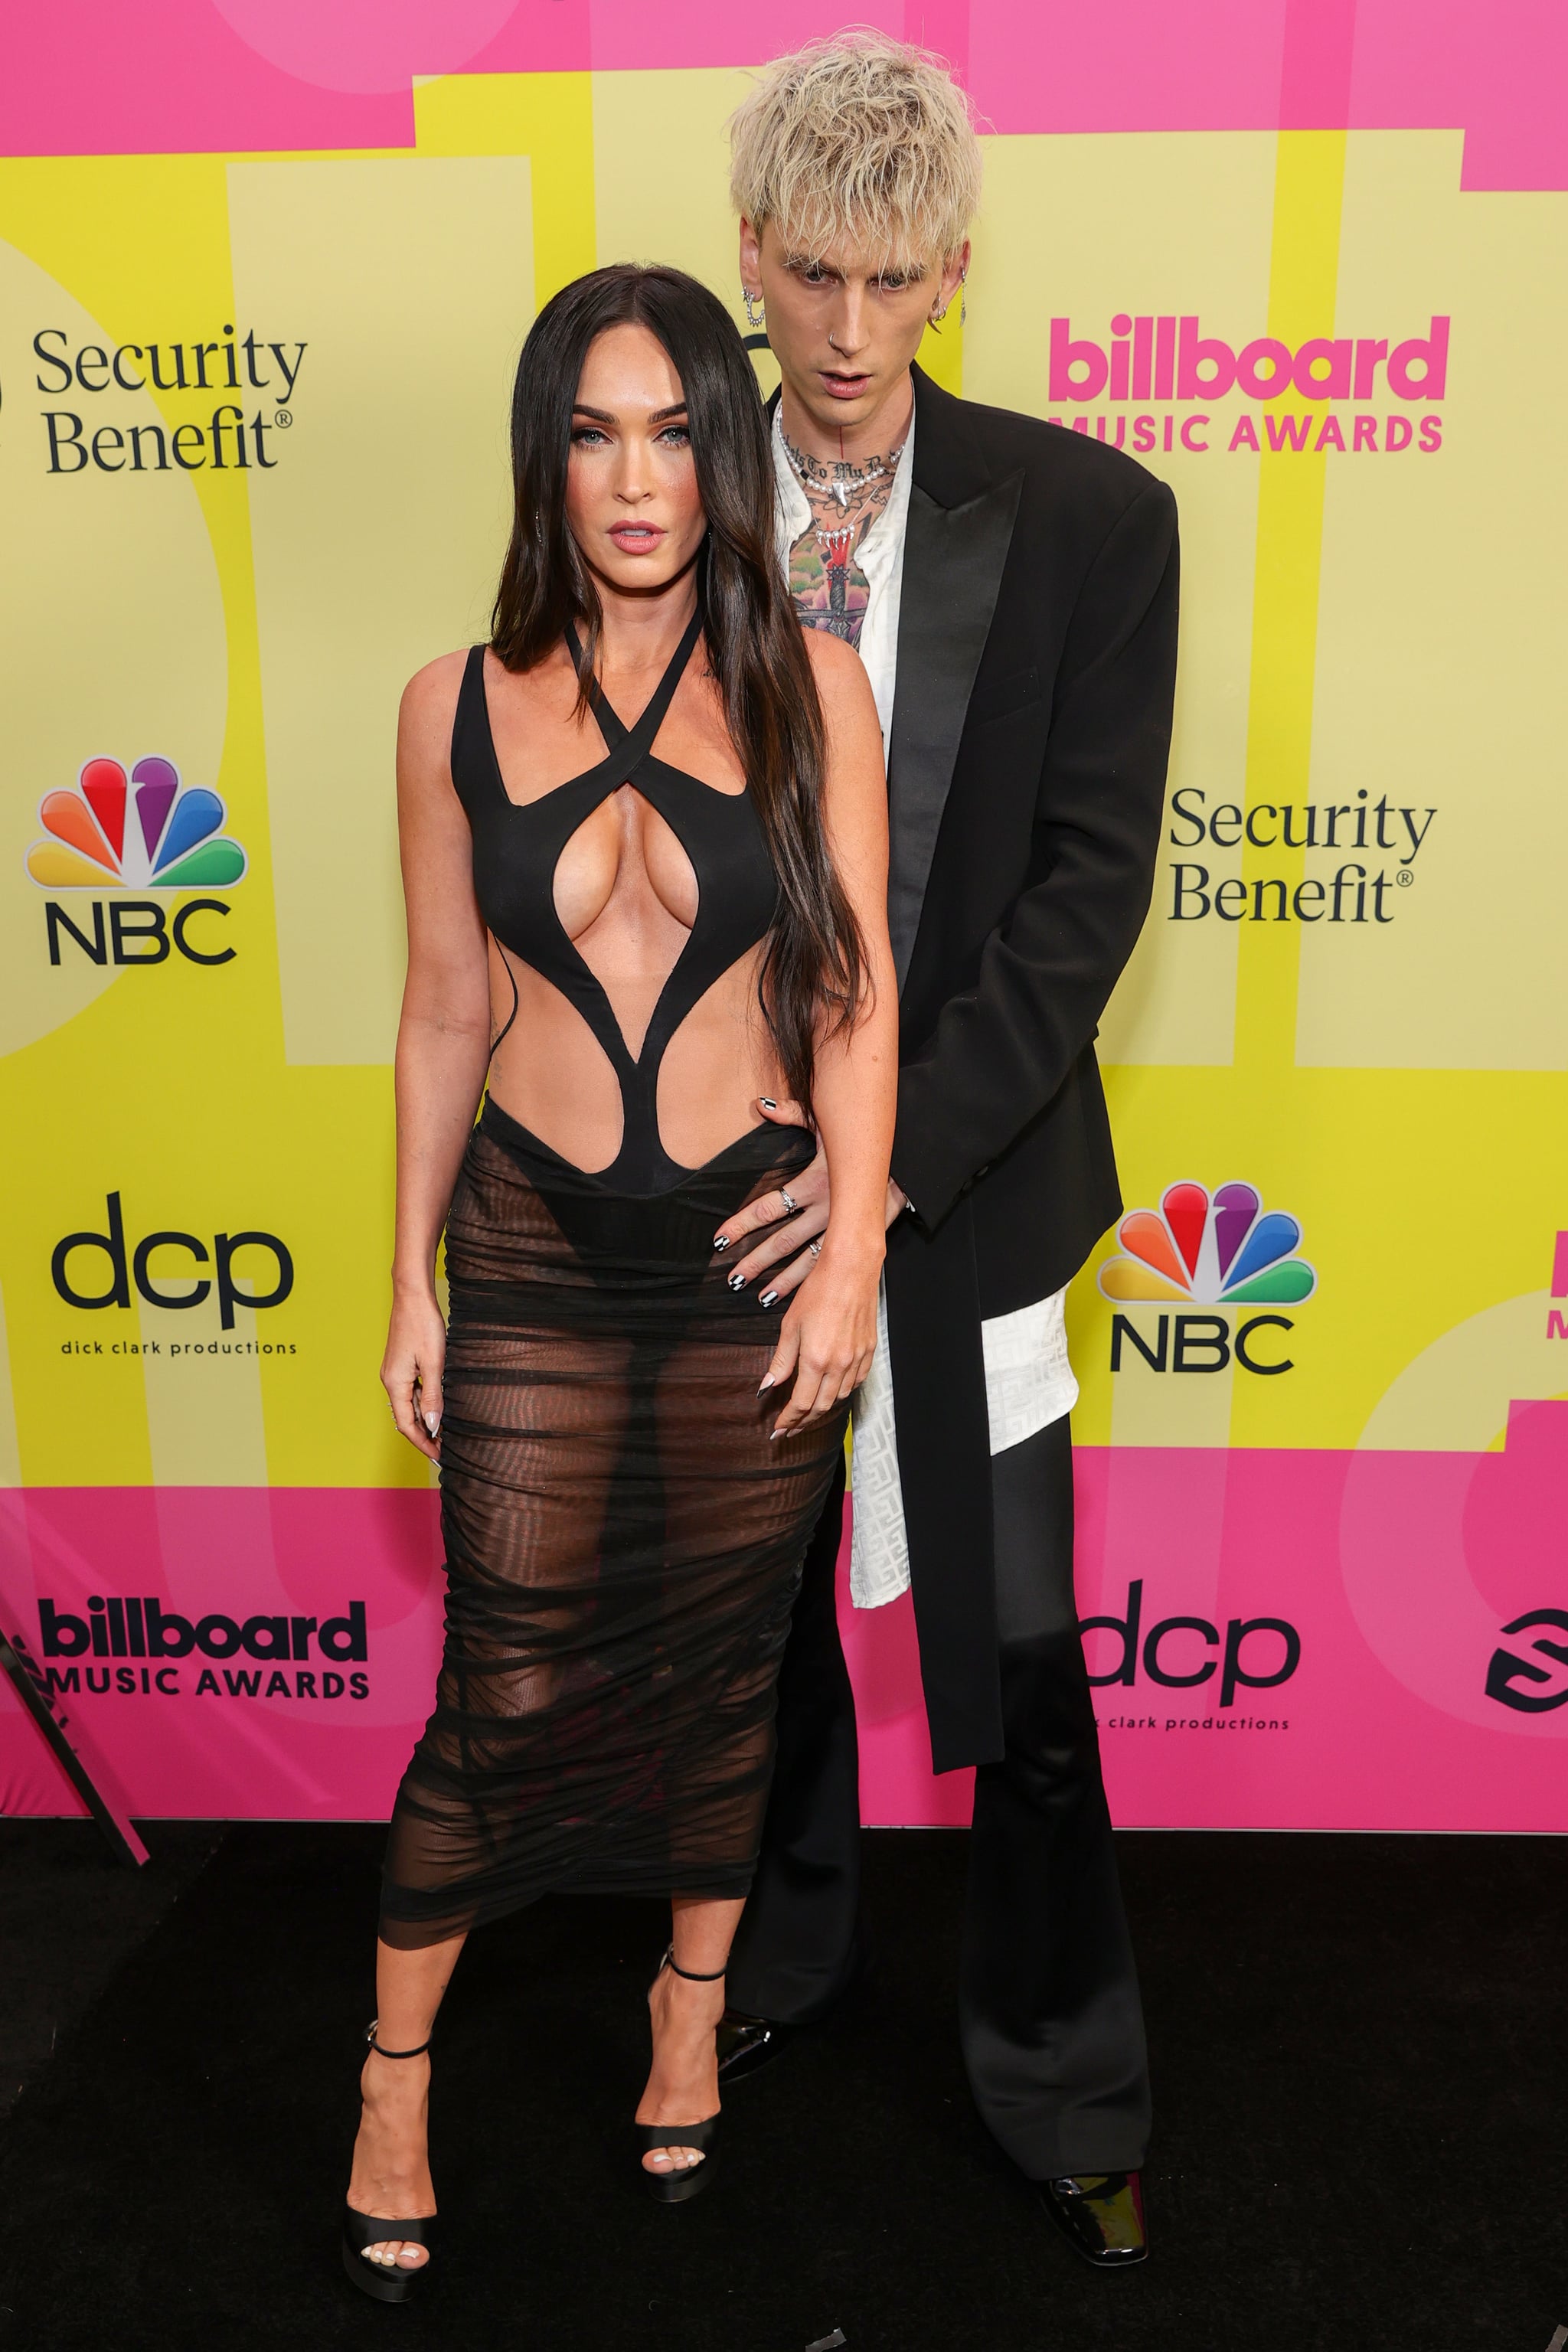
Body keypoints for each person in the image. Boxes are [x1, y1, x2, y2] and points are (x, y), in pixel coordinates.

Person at [342, 263, 897, 2301]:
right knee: (502, 1685)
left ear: (723, 452)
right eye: (593, 430)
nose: (636, 475)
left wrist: (848, 1250)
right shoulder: (450, 706)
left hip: (751, 1255)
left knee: (721, 1682)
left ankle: (687, 2008)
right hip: (535, 1255)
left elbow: (853, 1001)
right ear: (544, 456)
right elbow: (438, 1010)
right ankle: (395, 2073)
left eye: (674, 429)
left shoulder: (812, 687)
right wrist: (406, 1277)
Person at [713, 36, 1180, 2269]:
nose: (845, 325)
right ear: (755, 257)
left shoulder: (1092, 517)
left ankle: (1065, 2068)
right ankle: (773, 1973)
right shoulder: (656, 479)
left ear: (956, 272)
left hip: (970, 1176)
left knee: (1010, 1642)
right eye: (810, 270)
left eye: (893, 278)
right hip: (715, 1168)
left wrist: (887, 1166)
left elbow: (1091, 890)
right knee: (750, 1611)